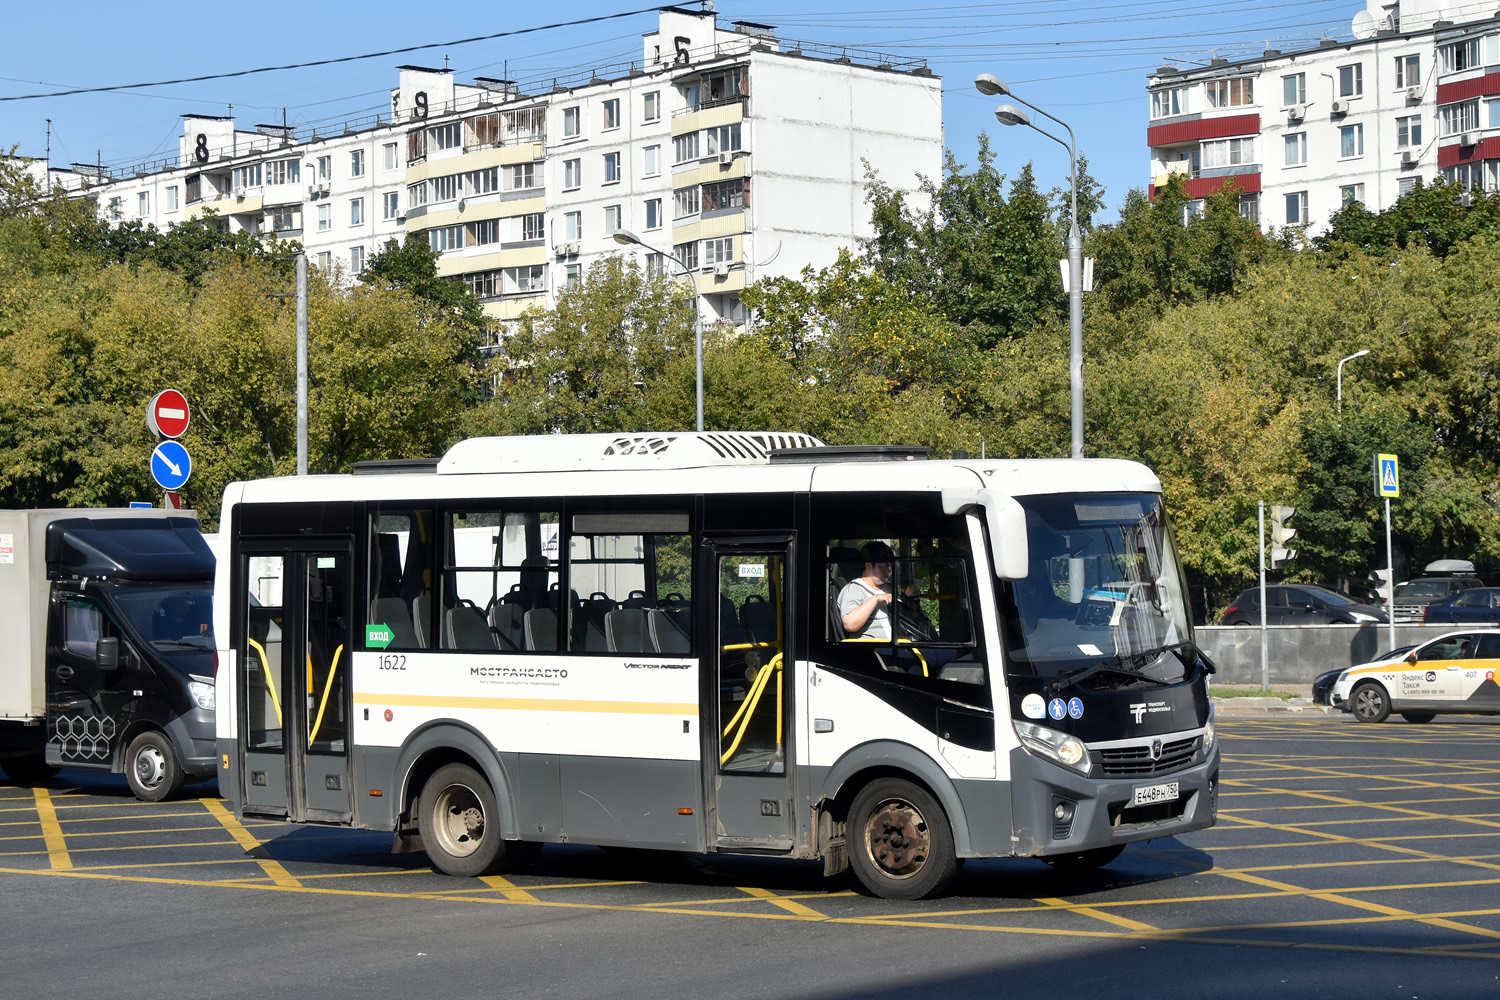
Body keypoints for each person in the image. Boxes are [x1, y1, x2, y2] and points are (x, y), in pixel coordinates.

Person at [838, 541, 895, 639]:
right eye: (882, 567)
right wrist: (875, 599)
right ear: (868, 565)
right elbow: (849, 624)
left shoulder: (888, 588)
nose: (887, 571)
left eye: (888, 567)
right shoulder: (854, 588)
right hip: (873, 649)